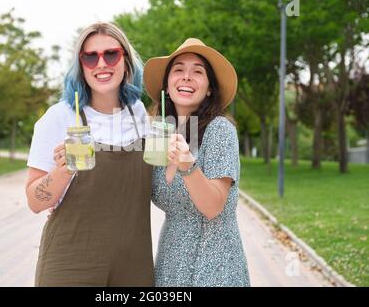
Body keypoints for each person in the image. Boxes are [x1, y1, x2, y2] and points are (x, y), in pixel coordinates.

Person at [25, 22, 154, 286]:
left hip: (133, 266)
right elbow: (35, 202)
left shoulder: (138, 113)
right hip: (70, 264)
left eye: (111, 54)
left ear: (126, 60)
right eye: (90, 57)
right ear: (80, 65)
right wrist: (64, 169)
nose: (101, 64)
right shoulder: (60, 116)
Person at [143, 38, 250, 286]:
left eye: (197, 71)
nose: (187, 77)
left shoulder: (219, 130)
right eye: (178, 69)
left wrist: (188, 167)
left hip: (215, 267)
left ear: (209, 88)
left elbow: (213, 208)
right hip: (170, 264)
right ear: (167, 86)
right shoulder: (159, 134)